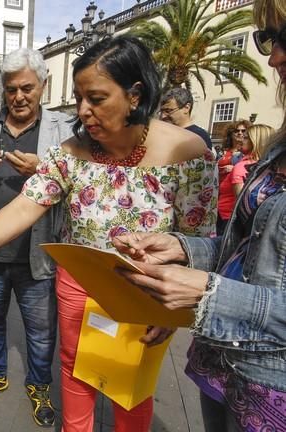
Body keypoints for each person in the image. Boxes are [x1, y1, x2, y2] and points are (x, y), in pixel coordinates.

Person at [0, 36, 217, 431]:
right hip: (76, 284)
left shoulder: (188, 155)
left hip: (145, 292)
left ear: (134, 95)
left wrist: (171, 309)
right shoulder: (71, 153)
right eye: (78, 97)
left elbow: (201, 243)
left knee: (131, 387)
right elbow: (26, 204)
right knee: (73, 372)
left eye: (97, 98)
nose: (83, 111)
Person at [112, 2, 286, 430]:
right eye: (268, 38)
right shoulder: (281, 145)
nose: (273, 56)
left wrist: (211, 294)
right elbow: (250, 249)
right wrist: (183, 249)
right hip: (225, 363)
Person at [0, 47, 74, 427]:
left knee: (40, 331)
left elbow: (81, 185)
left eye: (26, 88)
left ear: (43, 86)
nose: (18, 97)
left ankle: (39, 384)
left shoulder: (64, 130)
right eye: (10, 89)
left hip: (38, 254)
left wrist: (47, 168)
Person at [217, 119, 252, 234]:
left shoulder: (243, 157)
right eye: (237, 130)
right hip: (218, 192)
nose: (240, 133)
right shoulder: (223, 152)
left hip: (230, 205)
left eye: (243, 131)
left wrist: (234, 169)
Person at [230, 123, 275, 196]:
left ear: (255, 141)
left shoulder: (242, 167)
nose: (241, 140)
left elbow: (240, 203)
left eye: (245, 138)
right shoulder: (275, 166)